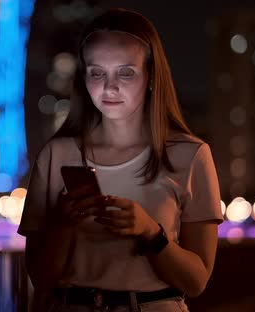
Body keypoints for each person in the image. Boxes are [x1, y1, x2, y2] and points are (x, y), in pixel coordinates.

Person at [17, 8, 223, 312]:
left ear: (151, 76)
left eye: (126, 72)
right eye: (97, 72)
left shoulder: (189, 155)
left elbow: (196, 281)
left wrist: (150, 232)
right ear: (83, 78)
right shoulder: (57, 155)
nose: (109, 87)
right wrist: (62, 223)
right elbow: (40, 277)